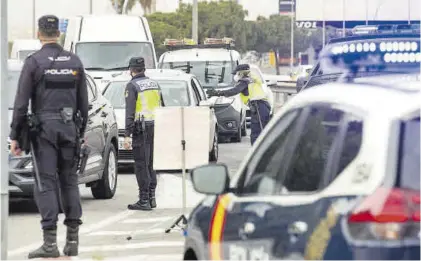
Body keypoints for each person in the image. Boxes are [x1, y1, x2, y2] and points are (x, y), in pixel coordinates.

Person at [9, 15, 89, 259]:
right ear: (58, 34)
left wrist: (15, 135)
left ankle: (50, 243)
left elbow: (21, 103)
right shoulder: (75, 62)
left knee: (46, 184)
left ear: (39, 33)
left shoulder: (34, 62)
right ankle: (73, 241)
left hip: (44, 131)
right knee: (69, 181)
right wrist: (80, 133)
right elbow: (84, 105)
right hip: (70, 130)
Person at [124, 57, 165, 211]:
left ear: (131, 70)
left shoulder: (132, 86)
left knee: (141, 165)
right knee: (151, 164)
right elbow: (163, 106)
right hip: (156, 126)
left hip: (141, 128)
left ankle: (144, 199)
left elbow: (130, 112)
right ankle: (152, 197)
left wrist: (127, 134)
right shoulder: (154, 84)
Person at [207, 64, 271, 145]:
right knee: (263, 132)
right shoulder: (251, 79)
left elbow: (234, 91)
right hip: (262, 106)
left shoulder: (245, 81)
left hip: (259, 107)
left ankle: (258, 155)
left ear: (241, 73)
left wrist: (217, 93)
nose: (235, 76)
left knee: (257, 133)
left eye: (236, 74)